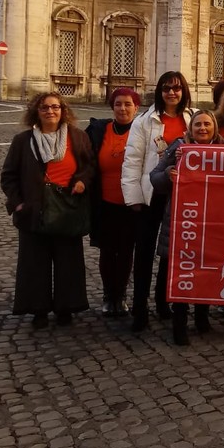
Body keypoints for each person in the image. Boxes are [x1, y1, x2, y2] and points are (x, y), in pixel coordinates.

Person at [1, 92, 95, 329]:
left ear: (63, 110)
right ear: (36, 111)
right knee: (35, 263)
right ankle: (38, 309)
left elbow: (89, 166)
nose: (50, 111)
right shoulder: (23, 141)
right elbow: (9, 176)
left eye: (55, 107)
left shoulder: (78, 137)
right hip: (34, 209)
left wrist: (82, 181)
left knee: (68, 262)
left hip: (67, 208)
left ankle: (66, 307)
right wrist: (18, 203)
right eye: (44, 107)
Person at [121, 71, 195, 332]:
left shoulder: (192, 117)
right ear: (160, 92)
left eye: (176, 88)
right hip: (151, 194)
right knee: (144, 252)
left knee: (170, 252)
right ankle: (140, 308)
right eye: (166, 88)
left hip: (182, 196)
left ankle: (164, 301)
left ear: (184, 91)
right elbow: (132, 160)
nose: (171, 93)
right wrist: (134, 197)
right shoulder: (144, 121)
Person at [149, 110, 221, 345]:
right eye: (198, 124)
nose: (202, 128)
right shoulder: (179, 147)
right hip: (182, 219)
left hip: (211, 222)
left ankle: (202, 317)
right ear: (191, 129)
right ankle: (179, 323)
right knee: (182, 271)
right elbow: (155, 176)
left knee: (206, 270)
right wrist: (169, 173)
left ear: (214, 128)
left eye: (207, 124)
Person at [85, 87, 141, 317]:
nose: (123, 108)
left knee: (126, 251)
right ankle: (109, 295)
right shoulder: (99, 130)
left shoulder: (142, 131)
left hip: (132, 204)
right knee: (107, 251)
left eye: (128, 104)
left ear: (136, 108)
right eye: (118, 104)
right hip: (104, 202)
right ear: (112, 107)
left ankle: (122, 295)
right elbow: (84, 158)